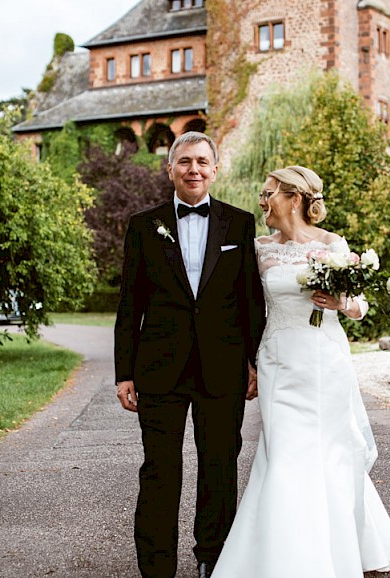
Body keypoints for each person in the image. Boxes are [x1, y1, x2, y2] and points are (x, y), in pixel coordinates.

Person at [212, 166, 390, 577]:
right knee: (283, 454)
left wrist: (342, 305)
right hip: (278, 362)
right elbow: (246, 308)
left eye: (269, 194)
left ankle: (333, 552)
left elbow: (359, 306)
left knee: (331, 452)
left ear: (295, 198)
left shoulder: (333, 244)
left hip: (325, 359)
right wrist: (245, 361)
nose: (262, 201)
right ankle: (286, 559)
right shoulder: (260, 248)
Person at [114, 131, 266, 578]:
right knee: (160, 471)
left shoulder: (239, 224)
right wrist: (125, 372)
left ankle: (212, 560)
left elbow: (250, 300)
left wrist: (253, 362)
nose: (193, 169)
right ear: (170, 170)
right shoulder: (144, 225)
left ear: (215, 169)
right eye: (184, 162)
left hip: (223, 368)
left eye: (202, 162)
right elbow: (129, 304)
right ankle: (157, 568)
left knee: (219, 468)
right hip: (158, 368)